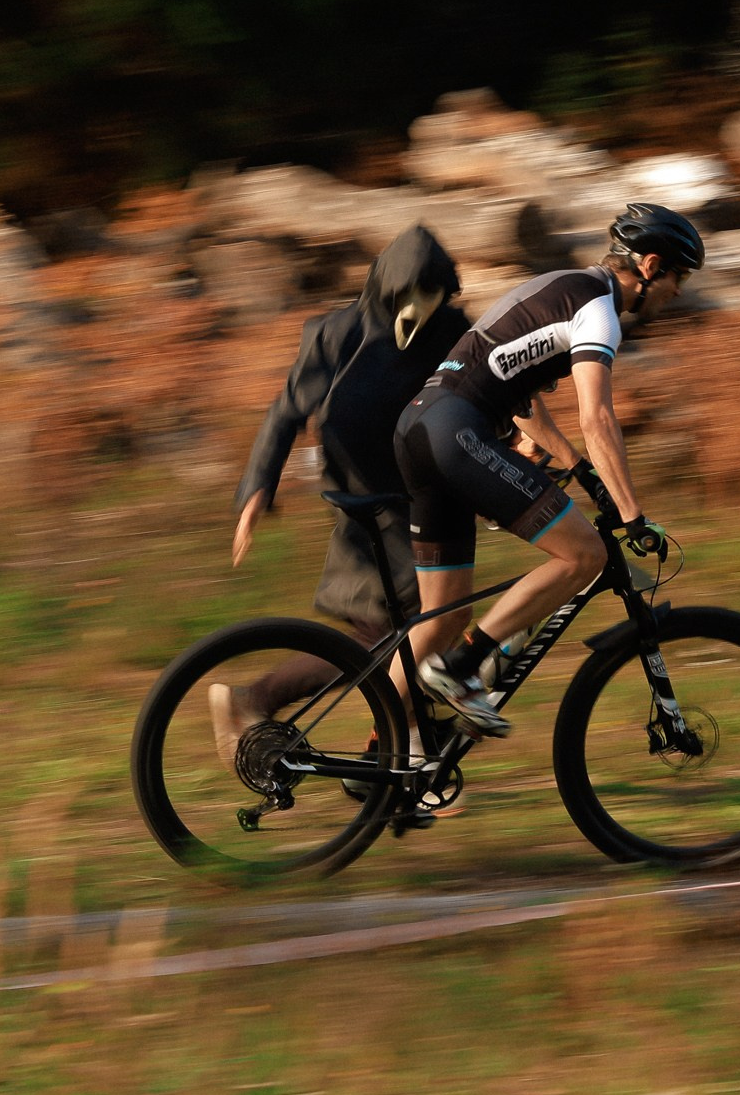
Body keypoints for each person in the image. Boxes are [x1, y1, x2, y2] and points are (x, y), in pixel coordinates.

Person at [392, 201, 703, 738]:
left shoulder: (563, 285)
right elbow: (597, 415)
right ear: (651, 266)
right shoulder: (600, 312)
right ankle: (462, 671)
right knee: (586, 553)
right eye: (680, 277)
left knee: (441, 618)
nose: (679, 292)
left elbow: (518, 394)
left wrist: (580, 469)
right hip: (455, 433)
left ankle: (383, 750)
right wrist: (631, 513)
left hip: (420, 429)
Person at [210, 225, 467, 769]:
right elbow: (285, 412)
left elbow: (479, 390)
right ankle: (259, 701)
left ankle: (405, 756)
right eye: (408, 296)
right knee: (398, 636)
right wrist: (258, 487)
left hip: (424, 486)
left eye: (431, 295)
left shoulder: (450, 328)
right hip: (366, 494)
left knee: (407, 631)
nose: (418, 311)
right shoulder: (336, 333)